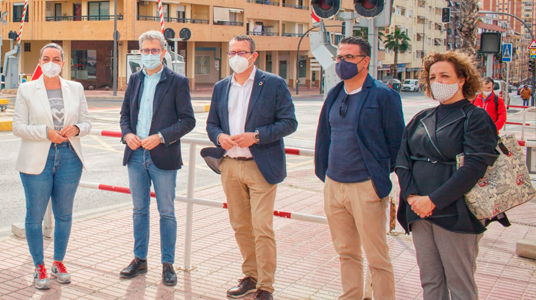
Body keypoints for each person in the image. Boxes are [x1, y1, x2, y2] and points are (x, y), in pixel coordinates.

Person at [395, 51, 498, 300]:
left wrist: (433, 201)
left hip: (456, 213)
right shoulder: (422, 117)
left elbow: (474, 167)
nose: (437, 81)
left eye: (445, 75)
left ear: (461, 79)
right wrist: (412, 199)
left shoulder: (475, 118)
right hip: (419, 212)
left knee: (460, 285)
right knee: (430, 281)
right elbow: (402, 161)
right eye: (432, 77)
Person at [206, 34, 297, 300]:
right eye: (232, 53)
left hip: (261, 165)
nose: (236, 57)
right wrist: (219, 137)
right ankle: (250, 275)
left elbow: (289, 123)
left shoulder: (274, 84)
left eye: (242, 52)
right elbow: (212, 123)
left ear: (254, 56)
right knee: (240, 226)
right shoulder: (221, 87)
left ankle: (266, 286)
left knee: (261, 227)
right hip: (230, 165)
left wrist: (256, 136)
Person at [313, 36, 402, 300]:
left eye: (349, 57)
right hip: (334, 184)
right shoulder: (335, 93)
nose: (342, 63)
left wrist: (380, 181)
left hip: (366, 186)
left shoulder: (384, 96)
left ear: (366, 61)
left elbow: (396, 143)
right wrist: (326, 174)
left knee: (377, 257)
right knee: (346, 252)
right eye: (339, 57)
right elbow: (325, 136)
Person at [118, 30, 196, 287]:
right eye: (145, 50)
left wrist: (161, 137)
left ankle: (167, 264)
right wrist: (127, 134)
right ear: (140, 53)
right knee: (139, 210)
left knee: (166, 212)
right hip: (135, 154)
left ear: (164, 52)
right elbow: (125, 116)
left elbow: (188, 121)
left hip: (162, 155)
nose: (149, 55)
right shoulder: (135, 79)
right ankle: (140, 260)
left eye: (154, 50)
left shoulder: (177, 82)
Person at [12, 43, 92, 289]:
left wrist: (77, 128)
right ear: (39, 61)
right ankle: (39, 266)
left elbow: (87, 122)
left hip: (69, 157)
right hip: (38, 159)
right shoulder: (26, 89)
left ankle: (58, 261)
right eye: (46, 58)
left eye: (56, 59)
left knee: (64, 215)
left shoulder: (75, 88)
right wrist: (46, 133)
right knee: (34, 216)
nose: (51, 63)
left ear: (63, 63)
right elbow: (17, 127)